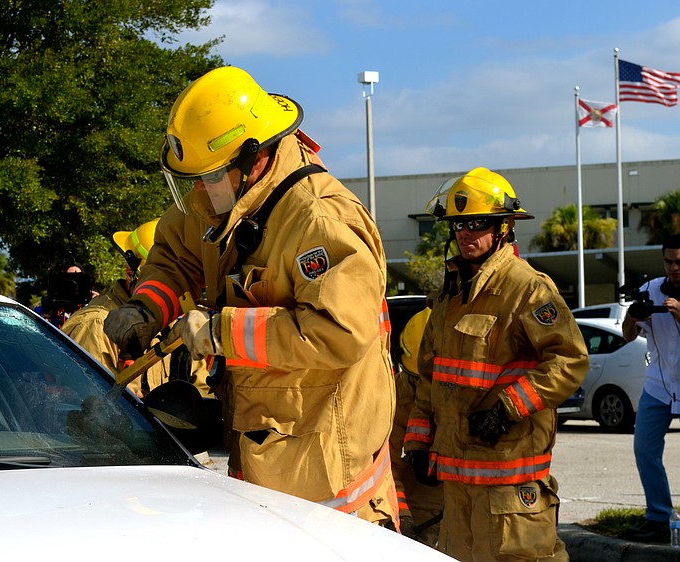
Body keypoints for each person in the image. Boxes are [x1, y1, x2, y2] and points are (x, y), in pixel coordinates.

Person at [103, 66, 398, 527]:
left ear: (253, 158)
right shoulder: (222, 201)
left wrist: (221, 333)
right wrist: (147, 306)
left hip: (329, 494)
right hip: (264, 468)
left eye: (208, 176)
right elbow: (173, 254)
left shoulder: (318, 219)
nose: (197, 190)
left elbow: (341, 331)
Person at [403, 167, 588, 561]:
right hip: (455, 488)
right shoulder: (450, 295)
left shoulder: (527, 287)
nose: (465, 233)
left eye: (477, 223)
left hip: (510, 485)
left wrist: (509, 409)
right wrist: (419, 442)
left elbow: (570, 359)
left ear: (503, 227)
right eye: (458, 225)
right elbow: (429, 378)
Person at [62, 219, 210, 399]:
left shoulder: (175, 330)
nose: (173, 293)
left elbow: (203, 393)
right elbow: (95, 411)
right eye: (164, 282)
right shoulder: (97, 325)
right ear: (130, 274)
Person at [620, 234, 680, 544]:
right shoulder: (651, 290)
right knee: (645, 450)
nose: (674, 268)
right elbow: (627, 335)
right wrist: (633, 316)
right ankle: (658, 517)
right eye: (669, 261)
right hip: (658, 384)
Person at [389, 305, 444, 548]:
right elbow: (384, 466)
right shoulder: (398, 395)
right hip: (424, 500)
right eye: (415, 380)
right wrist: (403, 515)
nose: (421, 390)